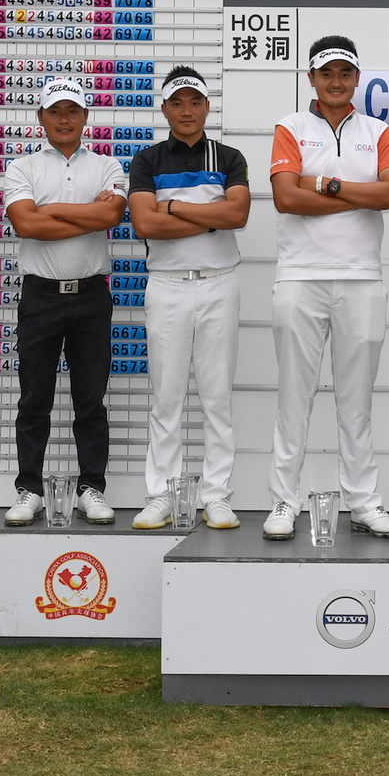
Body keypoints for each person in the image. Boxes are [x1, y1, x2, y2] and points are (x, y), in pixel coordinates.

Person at [263, 36, 389, 540]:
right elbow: (285, 197)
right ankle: (284, 502)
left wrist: (321, 184)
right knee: (293, 399)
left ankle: (364, 503)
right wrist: (358, 198)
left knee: (356, 401)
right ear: (312, 79)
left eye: (345, 73)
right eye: (327, 73)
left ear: (357, 78)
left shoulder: (379, 130)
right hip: (300, 277)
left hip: (362, 279)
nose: (336, 81)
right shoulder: (290, 127)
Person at [126, 67, 251, 530]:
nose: (186, 111)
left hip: (219, 282)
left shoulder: (229, 156)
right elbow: (145, 225)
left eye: (194, 101)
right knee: (167, 396)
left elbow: (237, 213)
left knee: (217, 395)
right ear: (165, 108)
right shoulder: (147, 160)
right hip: (167, 284)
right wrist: (209, 215)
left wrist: (173, 206)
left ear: (206, 106)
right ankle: (161, 493)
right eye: (177, 102)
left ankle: (217, 495)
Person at [1, 77, 128, 526]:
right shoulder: (22, 167)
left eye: (72, 110)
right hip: (41, 296)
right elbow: (26, 225)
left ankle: (91, 488)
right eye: (55, 111)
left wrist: (49, 209)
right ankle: (28, 490)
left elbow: (112, 215)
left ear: (85, 117)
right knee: (34, 398)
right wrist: (85, 215)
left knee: (90, 400)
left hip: (91, 296)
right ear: (41, 118)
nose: (64, 119)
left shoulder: (108, 166)